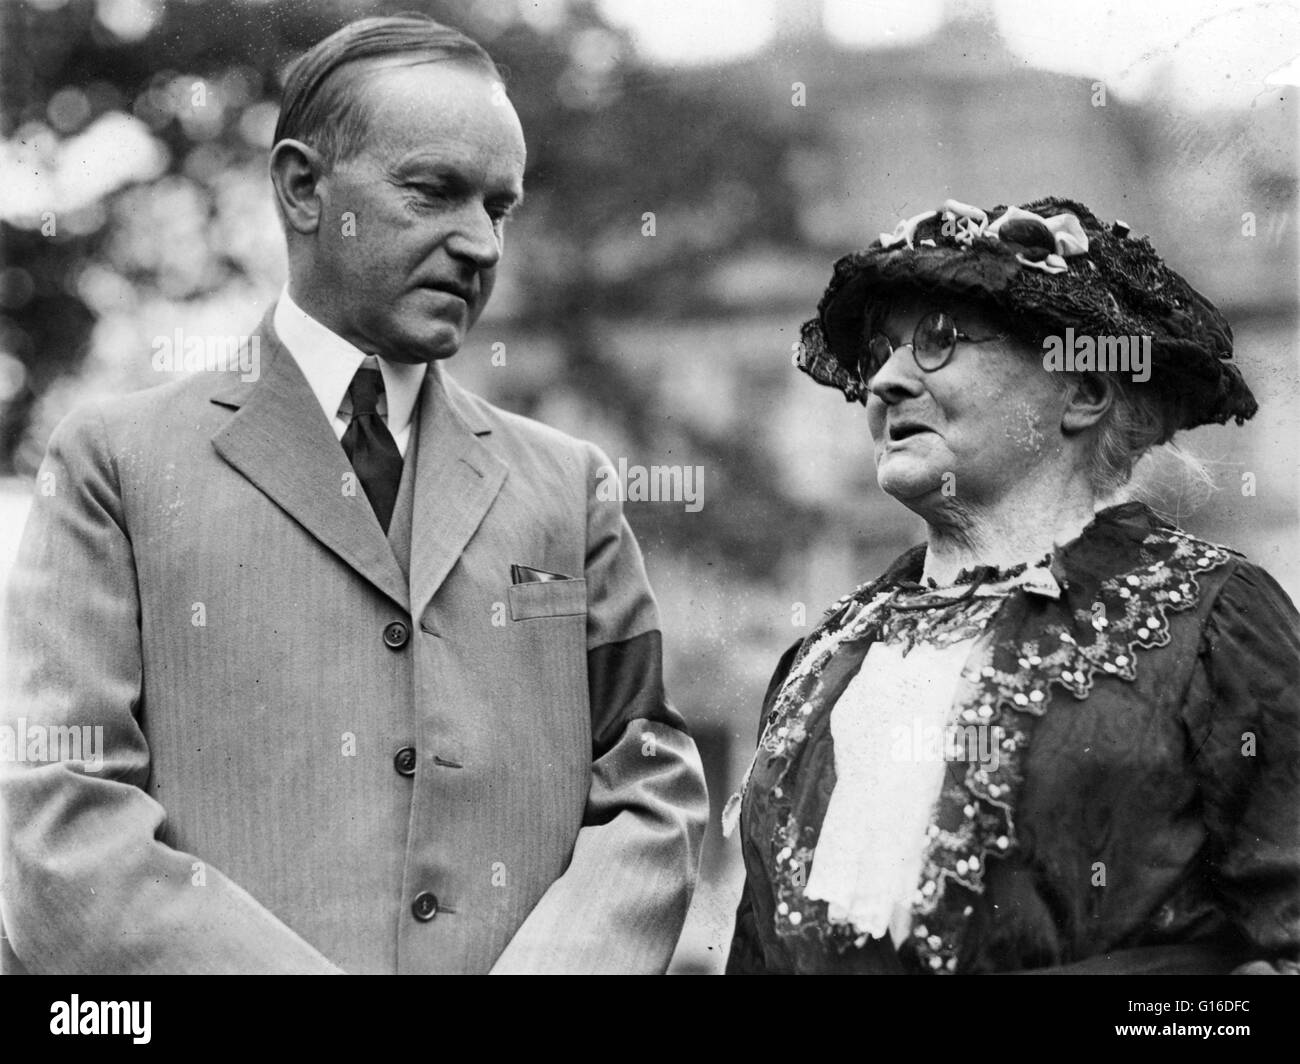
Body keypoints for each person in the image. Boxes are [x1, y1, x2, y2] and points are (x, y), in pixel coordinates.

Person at [0, 14, 707, 975]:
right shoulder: (112, 465)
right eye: (434, 192)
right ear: (302, 188)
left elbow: (651, 780)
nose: (480, 245)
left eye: (499, 208)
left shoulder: (569, 486)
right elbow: (62, 832)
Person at [725, 195, 1300, 974]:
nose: (884, 384)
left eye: (937, 341)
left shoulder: (1213, 619)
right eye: (878, 354)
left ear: (1085, 387)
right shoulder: (824, 660)